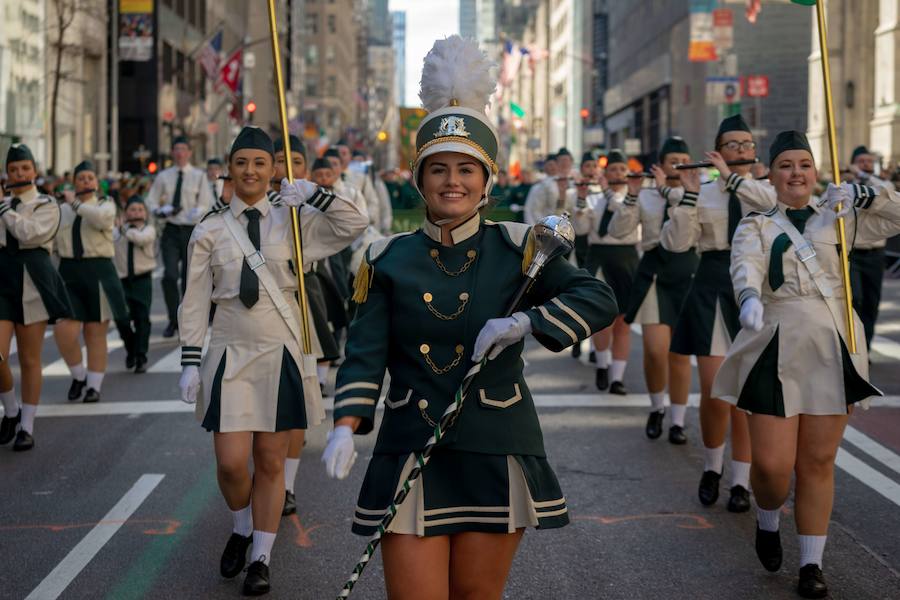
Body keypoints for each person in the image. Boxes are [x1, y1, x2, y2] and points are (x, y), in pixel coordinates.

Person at [321, 36, 617, 600]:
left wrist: (527, 323)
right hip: (411, 440)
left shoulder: (520, 247)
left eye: (466, 169)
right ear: (420, 179)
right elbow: (365, 351)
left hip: (494, 442)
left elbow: (596, 299)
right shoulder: (387, 257)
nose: (452, 181)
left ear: (486, 180)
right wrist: (344, 425)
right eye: (438, 170)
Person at [177, 126, 367, 595]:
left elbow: (355, 225)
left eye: (260, 163)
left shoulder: (294, 220)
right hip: (228, 352)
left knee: (269, 458)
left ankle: (260, 556)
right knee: (230, 462)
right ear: (230, 168)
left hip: (279, 348)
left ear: (272, 169)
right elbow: (194, 299)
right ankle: (241, 527)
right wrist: (189, 358)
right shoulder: (209, 228)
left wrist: (316, 196)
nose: (251, 171)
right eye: (242, 163)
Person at [712, 130, 897, 599]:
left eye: (805, 164)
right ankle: (768, 517)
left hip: (832, 344)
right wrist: (750, 299)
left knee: (818, 461)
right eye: (786, 165)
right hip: (775, 342)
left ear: (816, 172)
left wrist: (863, 191)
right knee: (773, 469)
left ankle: (811, 564)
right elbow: (745, 267)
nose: (796, 172)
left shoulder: (841, 217)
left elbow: (896, 215)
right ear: (770, 175)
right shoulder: (755, 224)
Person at [660, 114, 776, 513]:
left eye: (747, 145)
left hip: (757, 290)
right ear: (717, 151)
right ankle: (712, 467)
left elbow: (769, 207)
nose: (742, 151)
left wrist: (732, 178)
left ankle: (741, 481)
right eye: (733, 145)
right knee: (715, 390)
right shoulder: (704, 190)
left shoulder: (764, 189)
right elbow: (677, 244)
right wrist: (689, 195)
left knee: (746, 396)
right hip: (710, 283)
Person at [608, 137, 699, 442]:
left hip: (686, 272)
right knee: (655, 350)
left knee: (680, 355)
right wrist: (632, 196)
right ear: (660, 165)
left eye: (685, 159)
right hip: (654, 273)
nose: (680, 165)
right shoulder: (645, 195)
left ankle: (677, 420)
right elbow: (619, 231)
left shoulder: (696, 194)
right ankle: (657, 406)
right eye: (674, 160)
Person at [271, 136, 336, 517]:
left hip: (301, 293)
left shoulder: (311, 205)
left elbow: (350, 221)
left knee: (296, 398)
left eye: (297, 161)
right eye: (280, 161)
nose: (288, 168)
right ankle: (263, 478)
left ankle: (287, 485)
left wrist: (312, 196)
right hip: (261, 307)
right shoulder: (257, 207)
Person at [0, 144, 73, 451]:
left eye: (25, 168)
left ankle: (26, 426)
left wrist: (5, 209)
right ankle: (11, 410)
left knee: (30, 358)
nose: (19, 174)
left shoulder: (47, 203)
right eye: (14, 169)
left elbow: (30, 235)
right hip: (2, 277)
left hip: (34, 279)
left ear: (35, 171)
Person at [54, 160, 130, 403]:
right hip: (69, 270)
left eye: (90, 177)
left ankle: (94, 386)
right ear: (73, 182)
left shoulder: (105, 204)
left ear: (97, 183)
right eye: (81, 178)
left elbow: (101, 220)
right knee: (64, 330)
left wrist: (75, 203)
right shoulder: (61, 209)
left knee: (95, 333)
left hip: (98, 269)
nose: (86, 181)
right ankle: (79, 376)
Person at [573, 149, 639, 395]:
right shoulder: (593, 198)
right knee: (604, 317)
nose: (618, 173)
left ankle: (617, 378)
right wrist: (580, 199)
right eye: (613, 169)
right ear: (605, 172)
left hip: (627, 258)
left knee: (623, 322)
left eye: (622, 169)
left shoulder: (633, 198)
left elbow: (623, 214)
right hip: (599, 256)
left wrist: (609, 191)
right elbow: (580, 229)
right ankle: (602, 364)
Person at [146, 135, 214, 338]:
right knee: (169, 276)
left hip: (191, 230)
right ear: (173, 152)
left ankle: (187, 320)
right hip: (171, 229)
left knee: (189, 278)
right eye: (176, 149)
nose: (180, 152)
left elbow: (207, 202)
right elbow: (150, 201)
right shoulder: (164, 176)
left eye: (183, 148)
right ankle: (172, 319)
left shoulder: (199, 176)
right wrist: (160, 210)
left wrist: (198, 211)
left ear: (189, 153)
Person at [845, 145, 889, 349]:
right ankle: (855, 346)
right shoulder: (845, 187)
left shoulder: (881, 184)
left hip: (876, 255)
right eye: (862, 162)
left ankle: (866, 348)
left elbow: (884, 194)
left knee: (871, 303)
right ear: (853, 164)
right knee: (856, 300)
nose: (866, 165)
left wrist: (863, 176)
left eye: (869, 162)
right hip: (853, 254)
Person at [113, 196, 157, 373]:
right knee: (121, 319)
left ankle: (141, 356)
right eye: (132, 210)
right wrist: (117, 226)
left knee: (142, 318)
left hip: (142, 279)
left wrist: (124, 229)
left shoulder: (149, 230)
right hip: (122, 280)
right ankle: (131, 349)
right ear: (125, 213)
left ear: (145, 214)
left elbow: (140, 239)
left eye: (140, 210)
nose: (136, 213)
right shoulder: (117, 232)